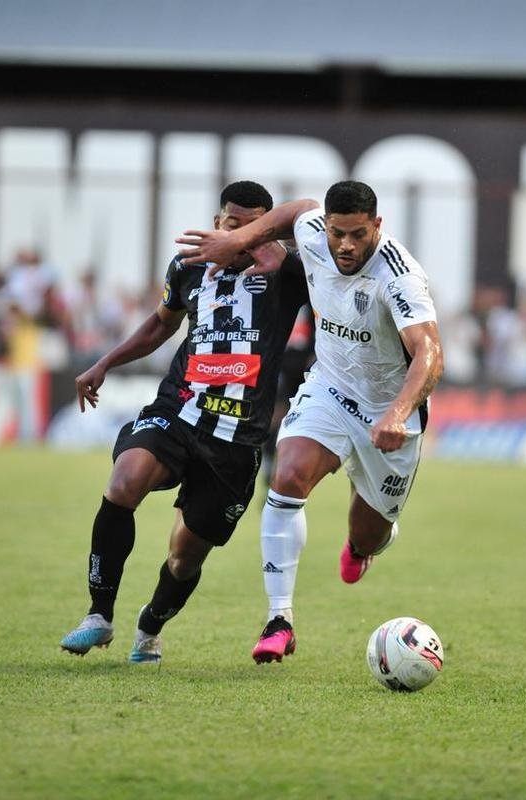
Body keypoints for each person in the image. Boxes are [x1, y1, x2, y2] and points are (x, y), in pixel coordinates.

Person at [177, 180, 445, 664]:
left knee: (368, 533)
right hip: (330, 389)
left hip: (388, 412)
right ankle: (279, 621)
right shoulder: (312, 231)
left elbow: (429, 353)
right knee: (288, 476)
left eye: (358, 235)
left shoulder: (399, 276)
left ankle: (363, 546)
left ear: (377, 226)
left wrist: (397, 414)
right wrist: (238, 240)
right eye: (338, 233)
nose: (346, 245)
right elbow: (297, 209)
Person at [58, 181, 308, 665]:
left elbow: (315, 224)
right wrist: (104, 363)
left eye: (254, 228)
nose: (240, 237)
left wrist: (279, 244)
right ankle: (98, 615)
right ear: (216, 223)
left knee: (184, 555)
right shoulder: (188, 265)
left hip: (237, 439)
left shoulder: (290, 272)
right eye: (232, 225)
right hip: (179, 409)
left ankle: (150, 625)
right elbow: (161, 323)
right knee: (124, 481)